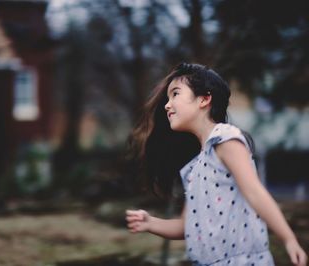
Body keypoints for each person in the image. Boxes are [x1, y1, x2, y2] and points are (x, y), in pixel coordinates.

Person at [125, 63, 307, 265]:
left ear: (204, 99)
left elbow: (255, 192)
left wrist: (288, 239)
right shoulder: (194, 167)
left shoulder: (225, 138)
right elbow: (188, 226)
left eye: (175, 94)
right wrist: (150, 223)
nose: (167, 104)